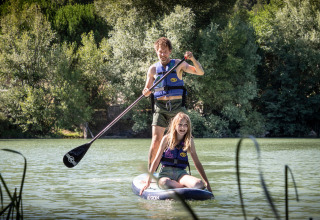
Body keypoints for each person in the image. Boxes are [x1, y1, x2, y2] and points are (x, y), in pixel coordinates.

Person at [142, 37, 204, 169]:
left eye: (165, 51)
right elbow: (146, 92)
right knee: (155, 141)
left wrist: (192, 59)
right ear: (156, 52)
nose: (162, 54)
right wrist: (146, 91)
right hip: (160, 108)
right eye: (160, 51)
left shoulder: (178, 64)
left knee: (184, 140)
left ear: (170, 51)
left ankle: (178, 170)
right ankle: (151, 173)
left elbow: (200, 72)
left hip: (177, 108)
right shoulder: (153, 69)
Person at [139, 112, 212, 195]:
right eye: (180, 124)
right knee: (165, 183)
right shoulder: (166, 139)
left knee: (199, 184)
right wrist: (148, 181)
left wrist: (207, 183)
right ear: (175, 125)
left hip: (181, 174)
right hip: (165, 173)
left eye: (185, 125)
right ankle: (184, 187)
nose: (182, 127)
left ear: (188, 127)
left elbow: (197, 163)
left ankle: (181, 186)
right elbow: (156, 161)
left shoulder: (189, 141)